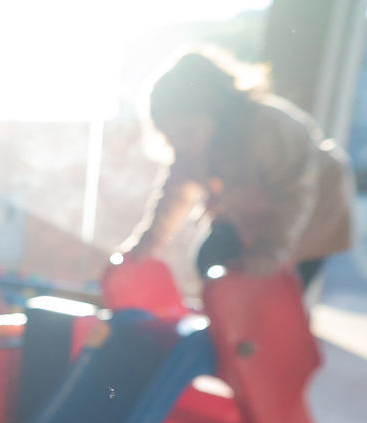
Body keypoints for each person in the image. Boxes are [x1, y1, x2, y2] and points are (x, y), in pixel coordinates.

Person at [123, 50, 355, 287]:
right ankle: (229, 314)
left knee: (279, 285)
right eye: (169, 136)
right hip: (256, 209)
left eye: (186, 133)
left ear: (218, 113)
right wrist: (149, 241)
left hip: (313, 212)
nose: (179, 144)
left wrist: (270, 247)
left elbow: (294, 194)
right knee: (211, 257)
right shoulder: (189, 147)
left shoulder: (266, 129)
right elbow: (174, 193)